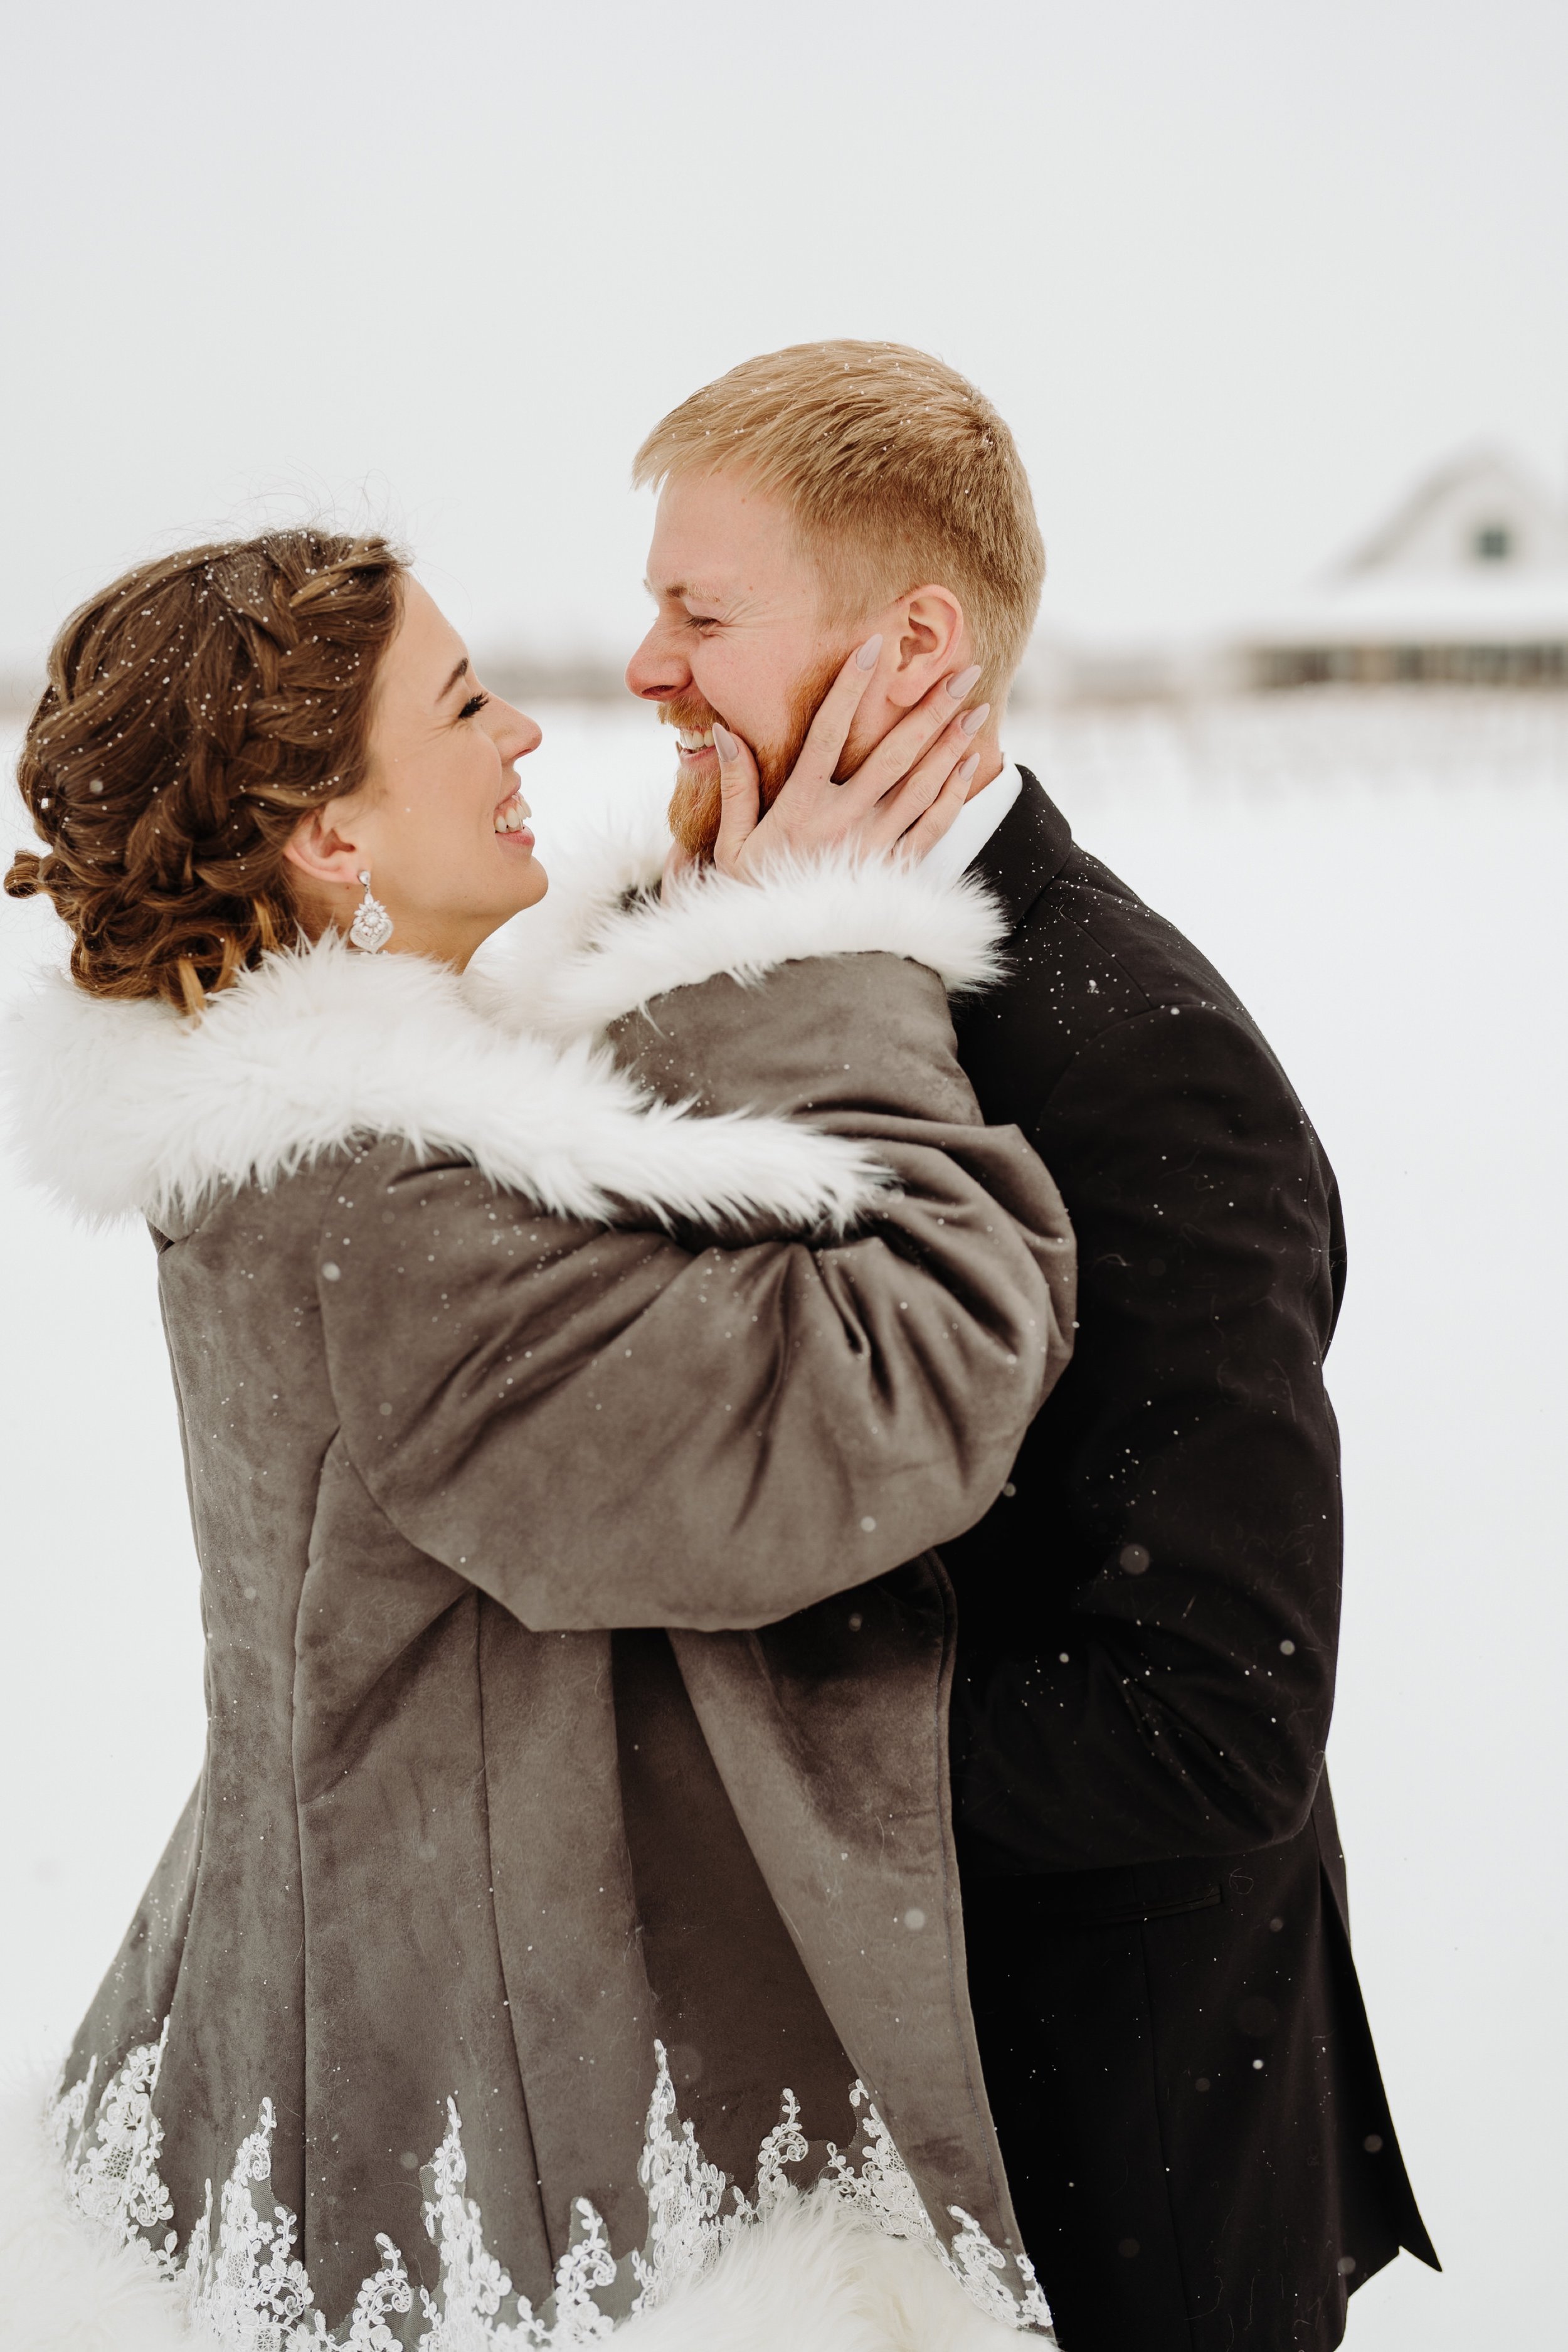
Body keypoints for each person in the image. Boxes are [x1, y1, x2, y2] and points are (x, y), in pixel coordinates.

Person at [0, 529, 1078, 2348]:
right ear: (333, 842)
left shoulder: (318, 1149)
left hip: (361, 1995)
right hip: (494, 2118)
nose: (520, 738)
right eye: (459, 701)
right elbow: (911, 1373)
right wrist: (823, 949)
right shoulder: (395, 1221)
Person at [620, 341, 1439, 2352]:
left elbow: (1212, 1723)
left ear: (911, 645)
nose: (644, 668)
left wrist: (712, 1768)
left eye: (698, 614)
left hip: (1107, 2189)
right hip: (836, 2171)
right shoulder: (748, 953)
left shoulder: (1131, 1061)